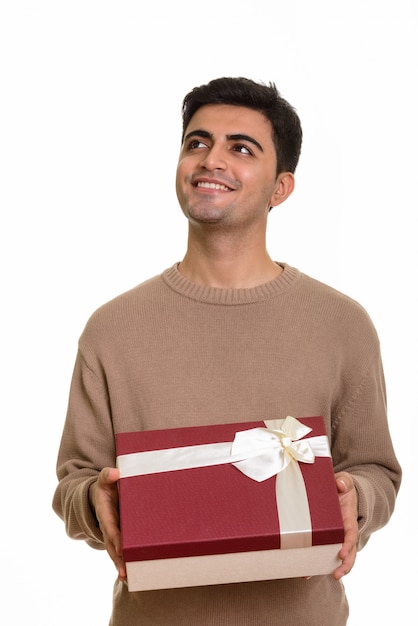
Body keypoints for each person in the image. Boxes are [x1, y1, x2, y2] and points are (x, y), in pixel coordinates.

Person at [52, 76, 402, 626]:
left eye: (241, 148)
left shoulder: (342, 324)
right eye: (197, 142)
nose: (210, 159)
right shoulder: (112, 329)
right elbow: (74, 478)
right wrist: (94, 501)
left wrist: (354, 496)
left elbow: (376, 469)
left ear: (280, 188)